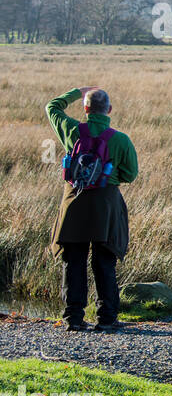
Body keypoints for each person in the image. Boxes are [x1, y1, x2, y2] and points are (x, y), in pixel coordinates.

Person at [46, 86, 139, 332]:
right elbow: (131, 174)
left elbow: (52, 107)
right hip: (106, 205)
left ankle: (73, 319)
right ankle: (106, 319)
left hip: (74, 203)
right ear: (109, 110)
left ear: (85, 109)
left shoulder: (72, 130)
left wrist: (78, 91)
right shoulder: (120, 140)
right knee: (104, 261)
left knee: (73, 261)